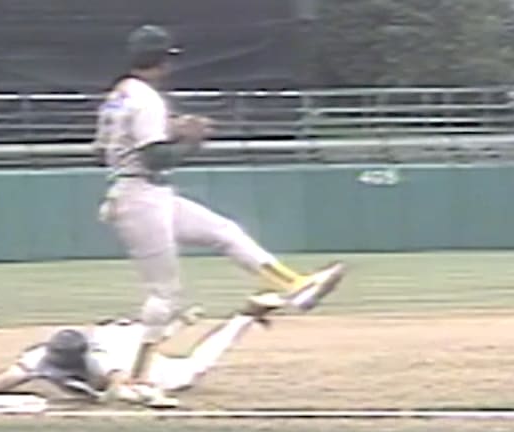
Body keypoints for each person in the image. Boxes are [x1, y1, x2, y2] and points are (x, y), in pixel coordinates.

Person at [92, 24, 345, 406]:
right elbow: (154, 157)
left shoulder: (120, 95)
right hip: (140, 195)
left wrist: (171, 129)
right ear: (162, 61)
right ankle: (138, 381)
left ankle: (295, 287)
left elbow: (105, 147)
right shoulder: (146, 99)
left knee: (225, 233)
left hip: (143, 191)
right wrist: (190, 141)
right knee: (164, 294)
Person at [0, 292, 288, 408]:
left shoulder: (96, 356)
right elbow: (5, 381)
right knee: (161, 349)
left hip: (138, 354)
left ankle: (244, 316)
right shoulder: (45, 355)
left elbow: (122, 385)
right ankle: (242, 316)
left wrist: (145, 396)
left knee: (191, 370)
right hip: (132, 338)